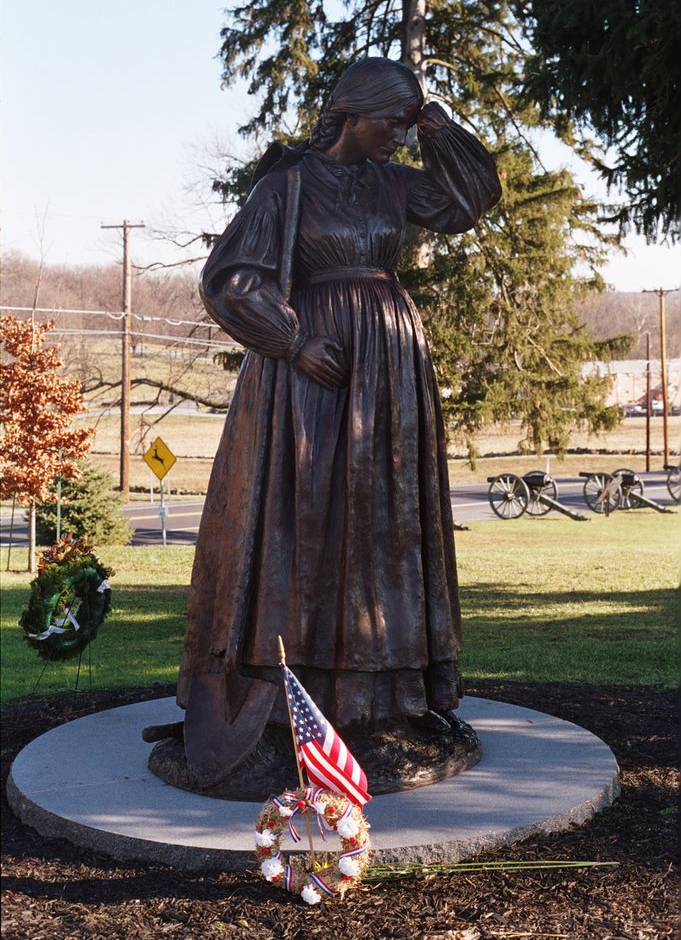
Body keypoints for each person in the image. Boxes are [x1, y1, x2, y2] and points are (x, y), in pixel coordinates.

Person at [171, 57, 501, 786]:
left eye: (404, 124)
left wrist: (435, 123)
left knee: (383, 516)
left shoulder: (393, 183)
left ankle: (385, 693)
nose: (396, 137)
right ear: (352, 113)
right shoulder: (284, 186)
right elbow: (230, 279)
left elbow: (468, 201)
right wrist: (289, 340)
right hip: (311, 368)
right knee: (306, 514)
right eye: (391, 121)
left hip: (389, 364)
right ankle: (296, 685)